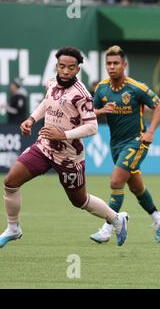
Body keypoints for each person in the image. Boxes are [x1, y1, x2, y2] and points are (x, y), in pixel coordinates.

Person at [0, 46, 128, 248]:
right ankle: (13, 228)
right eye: (62, 66)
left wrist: (64, 134)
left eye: (71, 67)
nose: (66, 71)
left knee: (80, 201)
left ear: (78, 69)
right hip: (44, 147)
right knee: (10, 182)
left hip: (69, 157)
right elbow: (46, 103)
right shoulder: (51, 83)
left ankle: (116, 219)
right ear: (56, 66)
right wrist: (31, 120)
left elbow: (92, 126)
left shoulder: (82, 94)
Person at [90, 45, 160, 244]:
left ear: (124, 65)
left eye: (116, 63)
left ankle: (110, 226)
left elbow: (158, 107)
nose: (112, 67)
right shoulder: (101, 88)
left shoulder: (136, 88)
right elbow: (89, 111)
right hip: (115, 144)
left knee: (116, 181)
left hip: (137, 141)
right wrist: (101, 111)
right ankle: (156, 216)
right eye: (108, 63)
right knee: (136, 187)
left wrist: (150, 132)